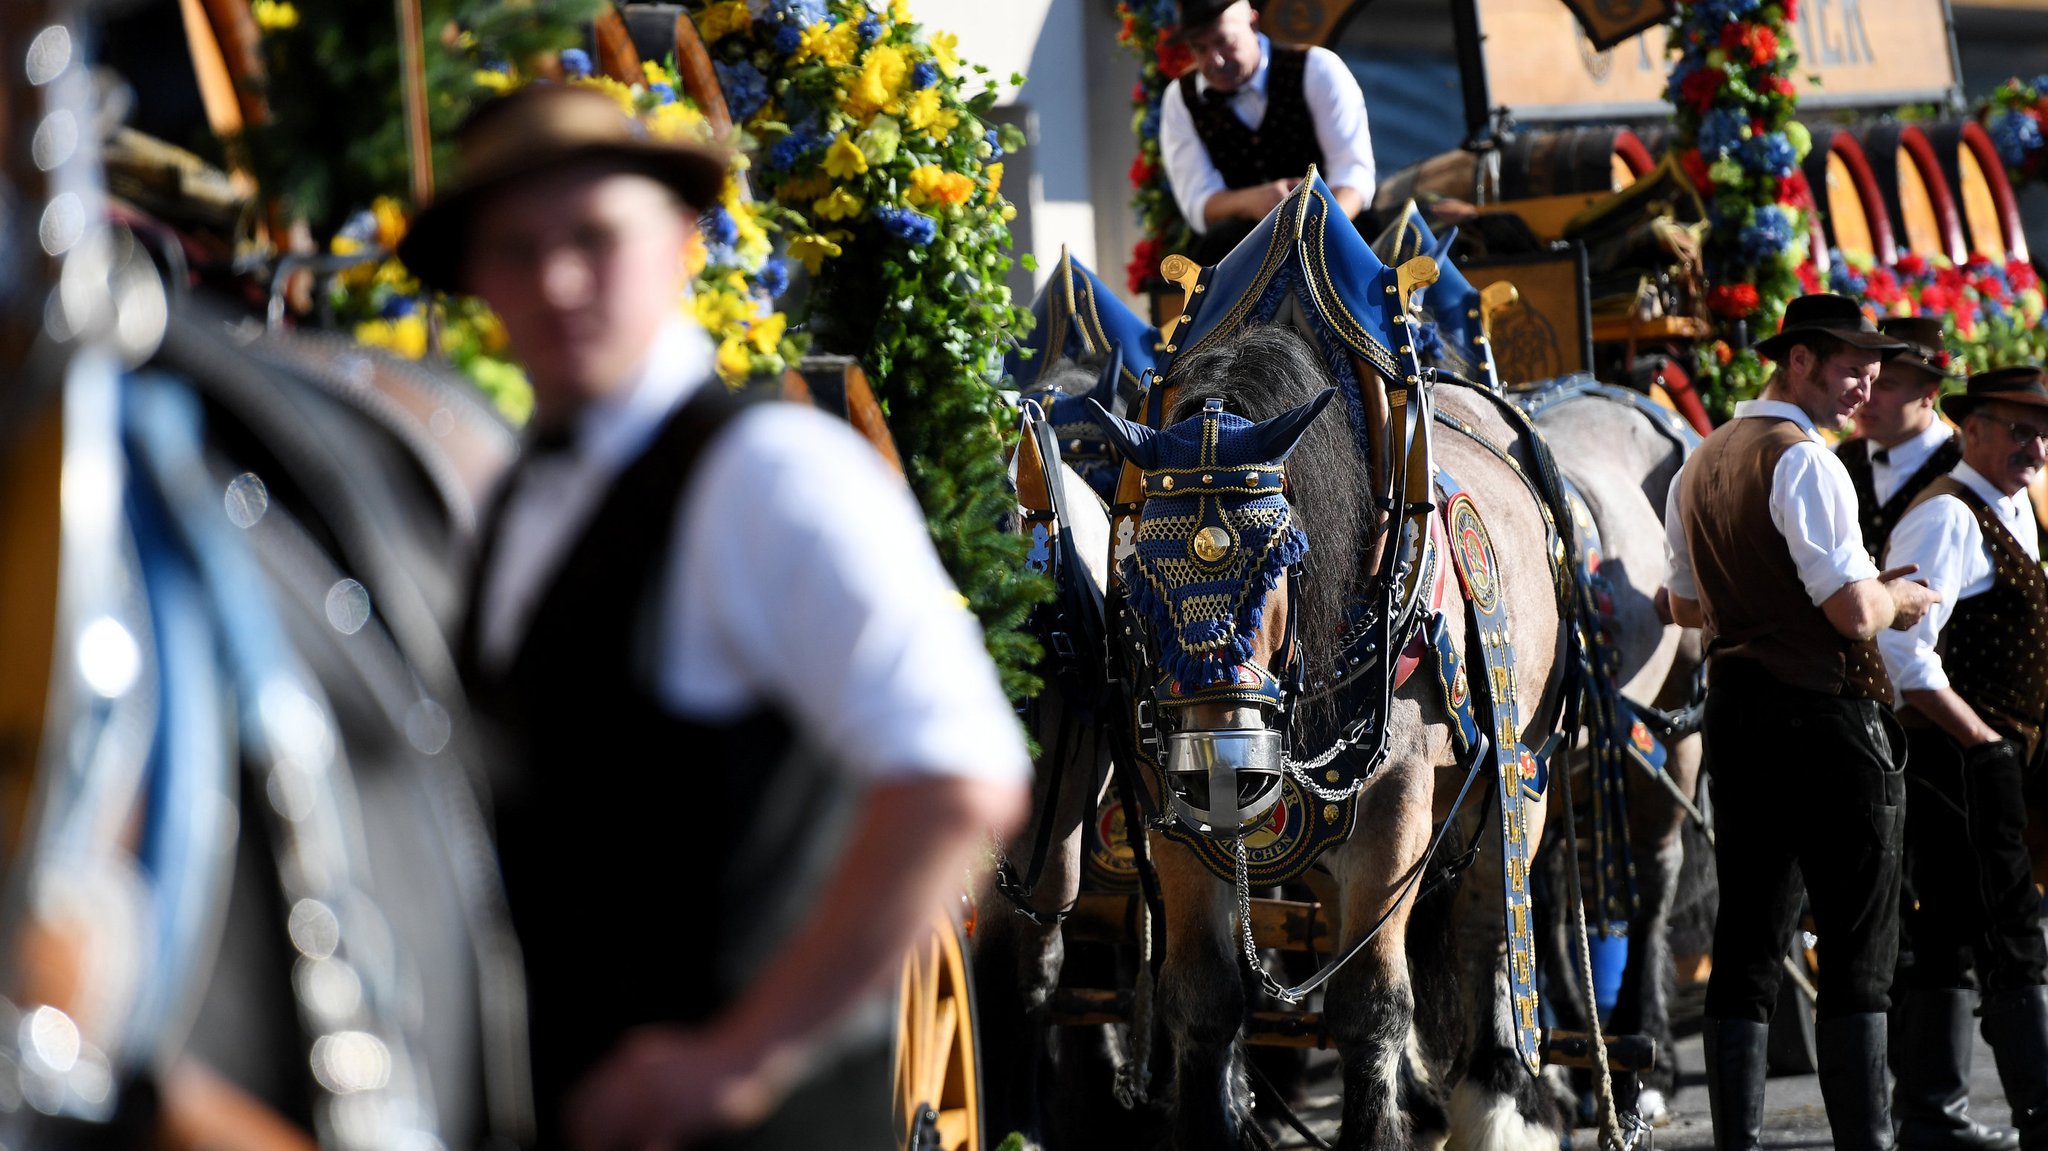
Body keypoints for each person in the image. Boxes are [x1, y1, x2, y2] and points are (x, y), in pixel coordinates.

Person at [396, 85, 1031, 1150]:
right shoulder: (522, 497)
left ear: (682, 242)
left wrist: (744, 1056)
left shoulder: (771, 476)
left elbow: (962, 778)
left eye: (594, 237)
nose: (554, 281)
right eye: (512, 248)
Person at [1665, 293, 1938, 1151]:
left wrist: (1770, 603)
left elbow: (1681, 603)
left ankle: (1737, 1144)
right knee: (1859, 949)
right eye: (1852, 364)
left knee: (1748, 938)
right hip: (1826, 720)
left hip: (1738, 718)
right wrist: (1899, 596)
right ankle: (1868, 1142)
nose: (1867, 381)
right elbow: (1854, 615)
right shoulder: (1806, 460)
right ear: (1798, 361)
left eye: (1874, 367)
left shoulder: (1701, 459)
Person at [1878, 366, 2048, 1151]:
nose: (2035, 444)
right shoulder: (1946, 515)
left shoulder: (2013, 506)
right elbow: (1902, 654)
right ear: (1971, 427)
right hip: (1964, 757)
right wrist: (1981, 741)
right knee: (2011, 931)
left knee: (1947, 927)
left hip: (1995, 754)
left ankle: (1930, 1114)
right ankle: (2040, 1110)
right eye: (2018, 427)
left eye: (2042, 431)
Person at [1157, 0, 1376, 265]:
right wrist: (1252, 201)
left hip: (1337, 235)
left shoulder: (1318, 68)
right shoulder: (1180, 98)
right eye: (1199, 49)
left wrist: (1317, 230)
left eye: (1224, 42)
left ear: (1252, 22)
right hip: (1241, 252)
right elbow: (1198, 203)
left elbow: (1353, 174)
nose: (1215, 60)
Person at [1836, 315, 1964, 561]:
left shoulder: (1966, 463)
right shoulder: (1838, 457)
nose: (1865, 396)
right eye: (1866, 380)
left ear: (1929, 395)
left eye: (1885, 385)